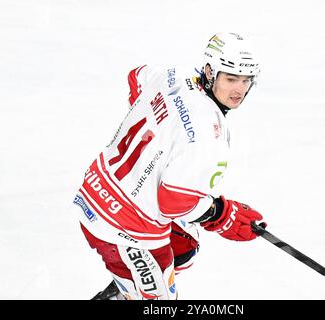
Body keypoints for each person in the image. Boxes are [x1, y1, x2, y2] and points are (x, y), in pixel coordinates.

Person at [73, 32, 267, 300]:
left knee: (185, 244)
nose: (239, 90)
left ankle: (130, 287)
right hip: (125, 229)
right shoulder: (209, 139)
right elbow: (174, 203)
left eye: (246, 80)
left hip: (96, 189)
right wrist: (222, 215)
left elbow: (136, 77)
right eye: (231, 78)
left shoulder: (177, 76)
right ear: (210, 72)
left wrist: (159, 132)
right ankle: (132, 285)